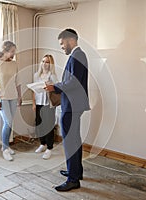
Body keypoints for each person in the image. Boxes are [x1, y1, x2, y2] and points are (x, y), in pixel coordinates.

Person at [45, 28, 90, 191]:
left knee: (70, 142)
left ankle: (73, 180)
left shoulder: (77, 55)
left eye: (62, 43)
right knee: (74, 140)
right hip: (73, 105)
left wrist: (53, 87)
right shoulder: (78, 55)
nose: (62, 47)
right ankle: (76, 172)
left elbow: (72, 83)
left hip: (71, 106)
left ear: (71, 40)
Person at [0, 40, 22, 161]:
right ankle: (4, 149)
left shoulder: (14, 64)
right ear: (5, 50)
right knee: (7, 122)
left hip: (13, 97)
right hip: (2, 98)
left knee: (10, 123)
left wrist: (20, 96)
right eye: (12, 51)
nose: (14, 53)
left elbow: (18, 81)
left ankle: (7, 147)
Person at [32, 55, 58, 160]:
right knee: (39, 125)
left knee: (48, 126)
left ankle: (49, 148)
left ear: (50, 64)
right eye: (43, 61)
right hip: (39, 103)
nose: (44, 64)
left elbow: (57, 90)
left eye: (47, 62)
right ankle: (42, 144)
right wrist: (33, 103)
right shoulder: (36, 75)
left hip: (48, 104)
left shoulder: (52, 76)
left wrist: (50, 88)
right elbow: (33, 90)